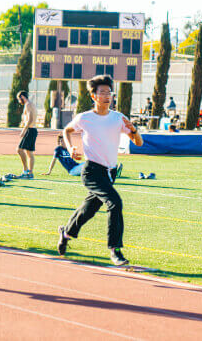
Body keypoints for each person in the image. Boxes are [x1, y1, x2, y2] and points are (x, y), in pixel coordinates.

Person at [56, 75, 143, 266]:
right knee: (115, 203)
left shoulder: (118, 118)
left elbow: (139, 142)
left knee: (89, 209)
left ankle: (66, 233)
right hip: (92, 171)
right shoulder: (85, 118)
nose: (107, 96)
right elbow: (67, 131)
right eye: (102, 92)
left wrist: (133, 130)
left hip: (110, 173)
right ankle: (115, 250)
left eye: (109, 92)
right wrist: (71, 149)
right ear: (93, 96)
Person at [16, 91, 37, 179]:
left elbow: (30, 118)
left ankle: (25, 171)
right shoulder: (31, 104)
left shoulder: (28, 105)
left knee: (19, 150)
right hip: (33, 130)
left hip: (30, 130)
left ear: (22, 97)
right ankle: (30, 173)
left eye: (19, 99)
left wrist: (24, 130)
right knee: (29, 152)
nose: (19, 101)